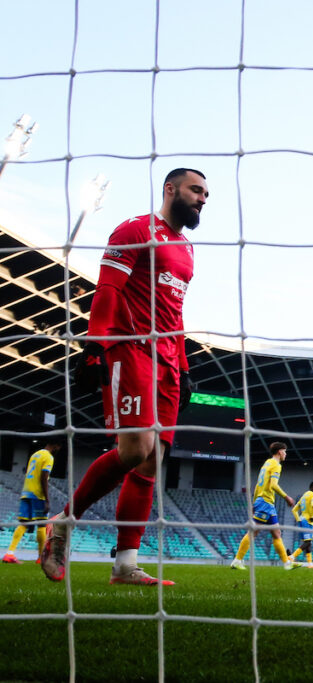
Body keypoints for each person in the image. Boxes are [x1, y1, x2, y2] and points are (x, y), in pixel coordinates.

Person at [41, 168, 209, 586]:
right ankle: (63, 521)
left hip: (168, 362)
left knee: (152, 462)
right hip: (131, 348)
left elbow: (176, 313)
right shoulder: (135, 229)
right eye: (196, 190)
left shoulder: (187, 249)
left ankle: (124, 565)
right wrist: (94, 345)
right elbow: (109, 288)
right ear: (170, 189)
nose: (203, 199)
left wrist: (184, 367)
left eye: (206, 194)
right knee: (135, 449)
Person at [231, 442, 296, 570]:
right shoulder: (276, 465)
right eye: (285, 451)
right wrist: (286, 497)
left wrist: (254, 502)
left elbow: (258, 485)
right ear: (280, 452)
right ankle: (237, 561)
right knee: (253, 532)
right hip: (265, 502)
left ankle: (287, 563)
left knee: (277, 533)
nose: (286, 454)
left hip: (265, 502)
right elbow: (273, 485)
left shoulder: (267, 463)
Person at [4, 440, 62, 564]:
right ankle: (41, 557)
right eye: (58, 447)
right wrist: (47, 499)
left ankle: (9, 554)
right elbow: (44, 476)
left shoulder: (35, 455)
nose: (58, 450)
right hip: (37, 494)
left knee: (23, 523)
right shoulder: (48, 457)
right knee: (41, 525)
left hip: (26, 492)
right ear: (55, 445)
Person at [288, 481, 313, 568]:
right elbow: (312, 505)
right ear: (312, 487)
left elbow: (294, 510)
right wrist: (312, 516)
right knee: (308, 542)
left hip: (302, 520)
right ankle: (291, 557)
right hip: (308, 521)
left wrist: (298, 519)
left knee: (307, 542)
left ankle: (310, 564)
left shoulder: (304, 496)